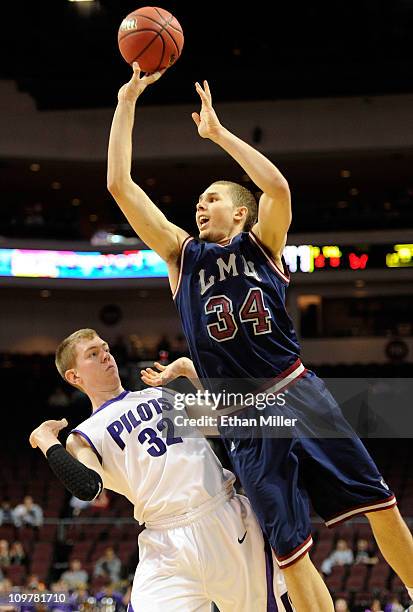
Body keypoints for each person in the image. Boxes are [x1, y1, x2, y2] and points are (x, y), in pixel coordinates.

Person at [107, 62, 413, 611]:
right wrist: (127, 101)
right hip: (243, 415)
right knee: (291, 552)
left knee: (380, 503)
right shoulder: (182, 256)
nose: (199, 206)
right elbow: (119, 186)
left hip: (294, 389)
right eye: (198, 201)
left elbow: (278, 186)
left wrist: (219, 135)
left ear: (241, 212)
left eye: (212, 199)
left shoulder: (264, 245)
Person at [29, 328, 292, 611]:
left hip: (222, 517)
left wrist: (189, 370)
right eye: (93, 354)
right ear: (74, 376)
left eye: (105, 348)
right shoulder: (83, 436)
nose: (105, 355)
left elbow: (235, 417)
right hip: (164, 541)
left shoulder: (161, 395)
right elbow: (88, 487)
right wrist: (47, 442)